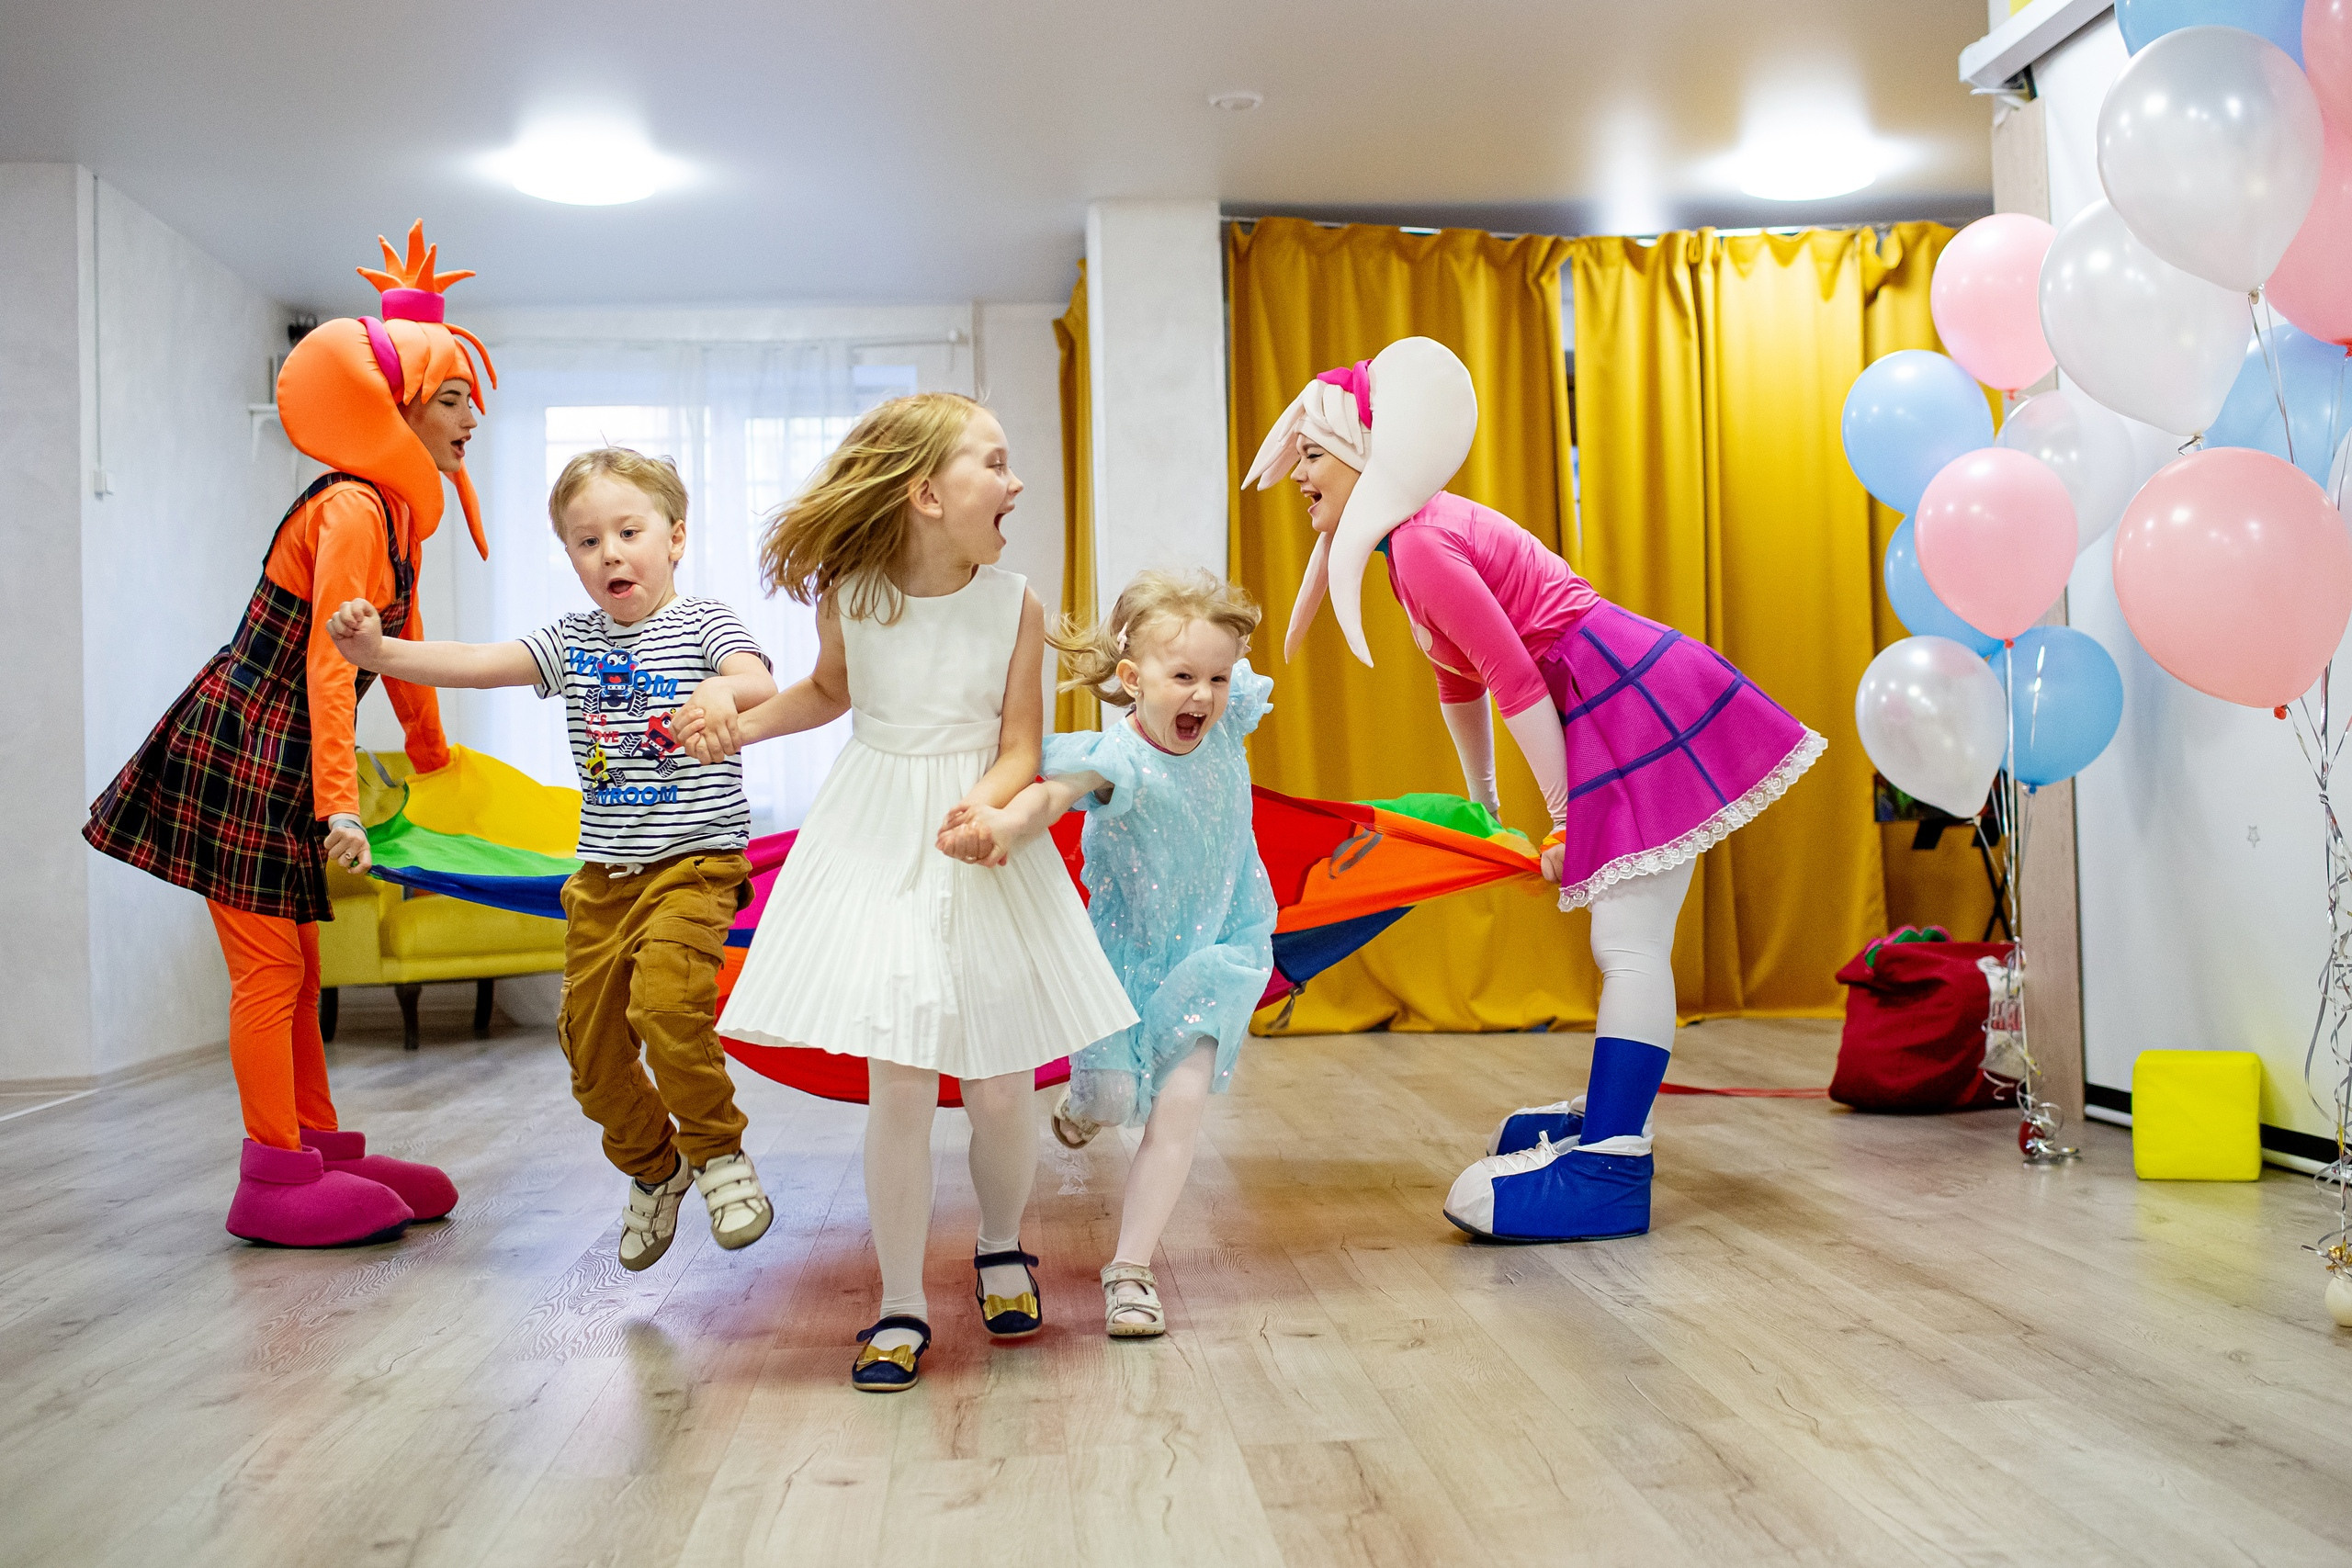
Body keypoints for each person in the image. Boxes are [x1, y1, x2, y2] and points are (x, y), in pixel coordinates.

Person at [1242, 337, 1825, 1244]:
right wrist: (1487, 806)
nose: (1299, 477)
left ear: (1362, 455)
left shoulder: (1422, 544)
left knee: (1627, 943)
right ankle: (1607, 1126)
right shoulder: (1411, 545)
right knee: (1623, 938)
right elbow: (1460, 683)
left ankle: (1611, 1165)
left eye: (1312, 454)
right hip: (1610, 695)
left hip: (1630, 697)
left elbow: (1512, 678)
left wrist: (1568, 816)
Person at [687, 392, 1135, 1391]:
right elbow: (828, 692)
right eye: (997, 461)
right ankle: (897, 1301)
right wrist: (739, 728)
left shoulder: (1013, 599)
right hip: (876, 827)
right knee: (898, 1077)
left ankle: (1003, 1242)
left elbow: (1022, 743)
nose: (1016, 482)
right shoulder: (850, 589)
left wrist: (983, 809)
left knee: (1000, 1079)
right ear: (928, 493)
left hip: (979, 836)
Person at [85, 223, 488, 1248]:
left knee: (299, 963)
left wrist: (434, 753)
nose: (469, 417)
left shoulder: (396, 517)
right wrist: (341, 802)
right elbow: (330, 662)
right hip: (249, 741)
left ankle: (317, 1149)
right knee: (269, 970)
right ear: (398, 404)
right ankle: (271, 1176)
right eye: (451, 396)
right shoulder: (353, 507)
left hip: (284, 746)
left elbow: (403, 644)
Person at [326, 446, 781, 1271]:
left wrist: (722, 693)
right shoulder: (571, 641)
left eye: (629, 531)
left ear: (675, 538)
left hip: (694, 867)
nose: (610, 551)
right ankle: (656, 1168)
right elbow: (475, 662)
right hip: (603, 881)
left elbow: (754, 679)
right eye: (586, 540)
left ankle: (718, 1156)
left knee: (669, 1008)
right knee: (589, 1052)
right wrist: (381, 656)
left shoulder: (705, 624)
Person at [938, 569, 1275, 1338]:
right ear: (1132, 678)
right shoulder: (1113, 757)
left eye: (1218, 677)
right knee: (1115, 1101)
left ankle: (1129, 1270)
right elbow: (1051, 795)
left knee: (1181, 1103)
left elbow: (1239, 649)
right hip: (1120, 963)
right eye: (1183, 675)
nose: (1204, 695)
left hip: (1222, 944)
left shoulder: (1227, 722)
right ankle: (1085, 1107)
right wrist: (1006, 823)